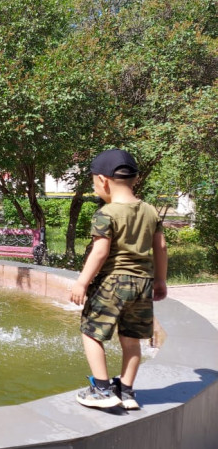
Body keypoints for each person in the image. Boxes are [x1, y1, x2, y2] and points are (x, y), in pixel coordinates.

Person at [69, 148, 168, 410]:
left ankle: (101, 390)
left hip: (112, 282)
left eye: (94, 182)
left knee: (91, 333)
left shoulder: (106, 213)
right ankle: (126, 391)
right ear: (134, 179)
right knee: (132, 338)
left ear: (103, 181)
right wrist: (160, 280)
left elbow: (100, 252)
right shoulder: (150, 211)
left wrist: (82, 282)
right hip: (143, 284)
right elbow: (161, 248)